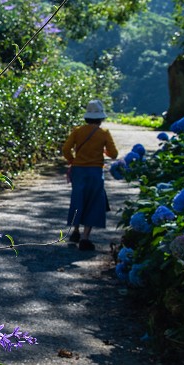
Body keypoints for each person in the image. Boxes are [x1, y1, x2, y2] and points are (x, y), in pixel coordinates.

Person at [62, 99, 119, 251]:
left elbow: (66, 149)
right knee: (93, 202)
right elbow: (114, 154)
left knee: (78, 199)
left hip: (78, 171)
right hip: (95, 171)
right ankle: (85, 238)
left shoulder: (77, 131)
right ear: (101, 118)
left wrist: (73, 160)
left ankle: (75, 231)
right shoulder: (104, 134)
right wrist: (104, 151)